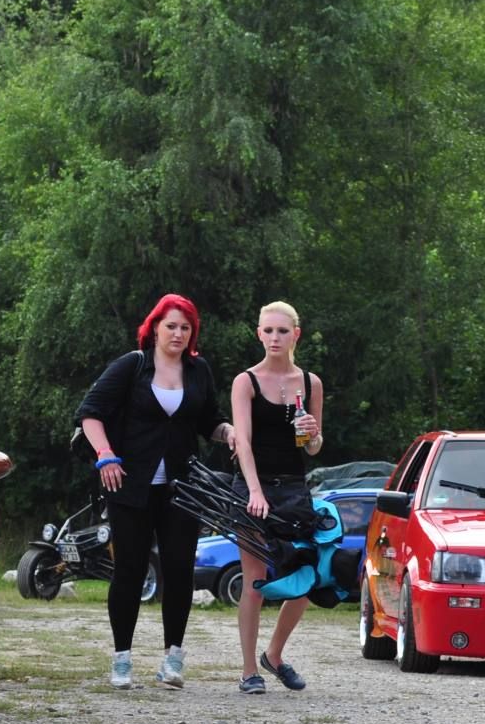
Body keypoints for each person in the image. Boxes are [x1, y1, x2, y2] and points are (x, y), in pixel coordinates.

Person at [76, 294, 234, 689]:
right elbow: (90, 413)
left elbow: (209, 421)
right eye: (171, 326)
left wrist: (229, 432)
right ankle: (122, 659)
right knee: (129, 570)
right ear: (155, 328)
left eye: (186, 327)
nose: (178, 333)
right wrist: (106, 455)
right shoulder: (132, 365)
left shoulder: (198, 370)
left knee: (179, 571)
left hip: (182, 487)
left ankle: (173, 659)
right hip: (130, 484)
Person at [228, 301, 325, 695]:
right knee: (255, 581)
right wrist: (254, 490)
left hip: (294, 486)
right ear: (259, 334)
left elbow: (313, 448)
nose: (274, 338)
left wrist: (313, 433)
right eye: (268, 330)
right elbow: (243, 442)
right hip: (254, 485)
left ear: (295, 335)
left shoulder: (311, 383)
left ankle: (274, 654)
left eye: (282, 331)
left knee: (306, 578)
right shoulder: (246, 382)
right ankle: (249, 670)